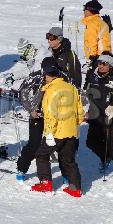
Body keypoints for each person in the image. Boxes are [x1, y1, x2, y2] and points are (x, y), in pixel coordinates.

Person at [30, 62, 85, 197]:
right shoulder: (71, 87)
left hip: (56, 132)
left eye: (45, 75)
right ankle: (75, 188)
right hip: (71, 131)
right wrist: (76, 126)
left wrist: (49, 133)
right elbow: (79, 110)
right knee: (68, 160)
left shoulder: (51, 90)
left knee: (41, 155)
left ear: (48, 76)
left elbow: (51, 114)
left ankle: (46, 184)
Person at [85, 52, 113, 178]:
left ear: (110, 65)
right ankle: (106, 157)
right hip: (95, 114)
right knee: (91, 142)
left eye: (104, 64)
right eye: (99, 63)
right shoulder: (93, 75)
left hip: (112, 116)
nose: (101, 66)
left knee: (111, 143)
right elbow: (87, 89)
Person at [15, 56, 55, 180]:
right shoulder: (36, 76)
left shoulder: (62, 77)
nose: (49, 74)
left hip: (54, 117)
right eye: (47, 71)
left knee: (59, 144)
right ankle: (22, 168)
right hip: (37, 115)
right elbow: (22, 92)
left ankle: (66, 174)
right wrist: (31, 109)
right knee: (34, 143)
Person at [81, 0, 111, 88]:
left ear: (89, 10)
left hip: (98, 57)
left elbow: (92, 41)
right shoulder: (101, 22)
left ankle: (88, 95)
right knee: (102, 80)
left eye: (84, 9)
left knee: (92, 81)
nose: (83, 12)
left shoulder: (92, 23)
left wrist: (91, 57)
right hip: (106, 55)